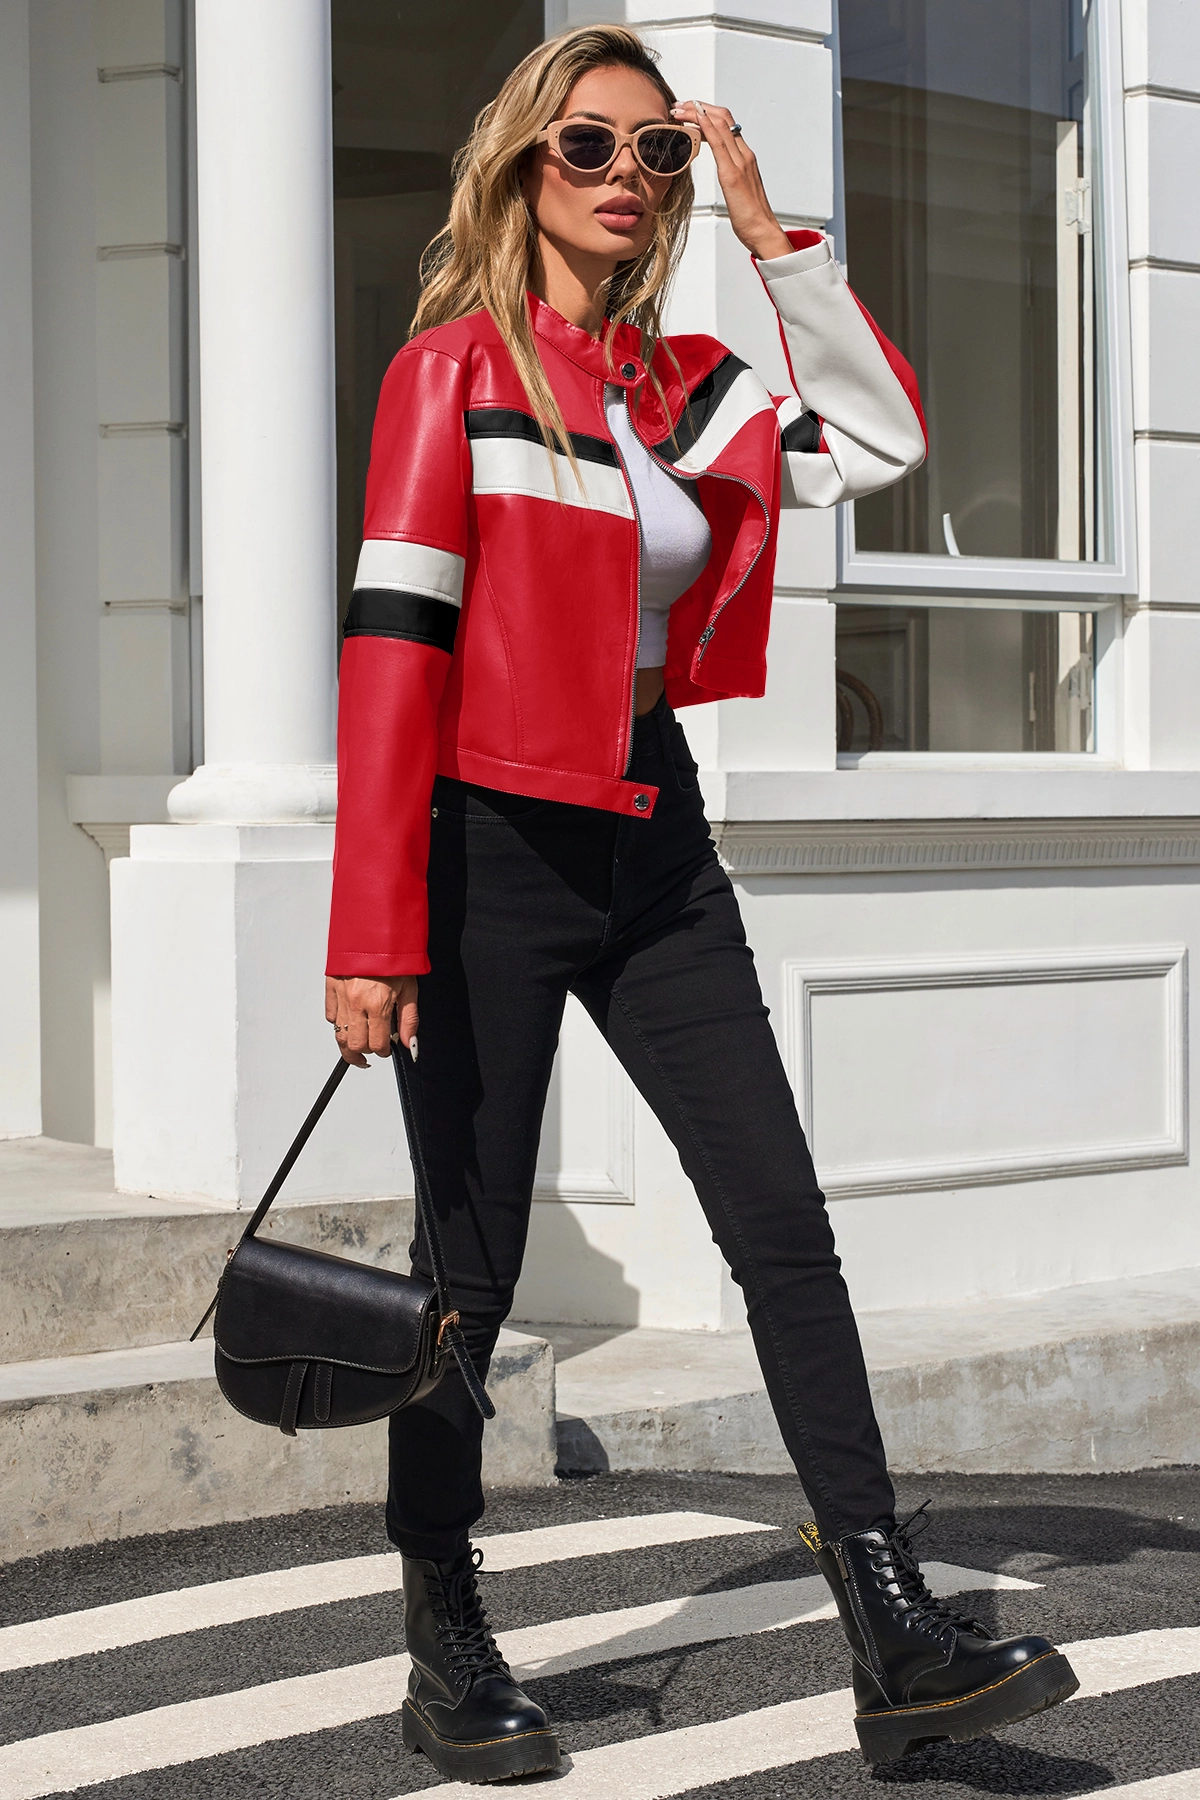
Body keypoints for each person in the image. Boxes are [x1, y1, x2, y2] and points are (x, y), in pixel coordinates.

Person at [324, 23, 1077, 1785]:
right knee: (468, 1272)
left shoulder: (687, 383)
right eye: (586, 146)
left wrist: (762, 223)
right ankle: (444, 1629)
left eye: (653, 149)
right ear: (524, 166)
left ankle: (892, 1630)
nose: (621, 175)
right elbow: (393, 654)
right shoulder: (451, 373)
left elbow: (876, 434)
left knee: (781, 1225)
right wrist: (371, 928)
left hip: (655, 839)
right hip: (487, 852)